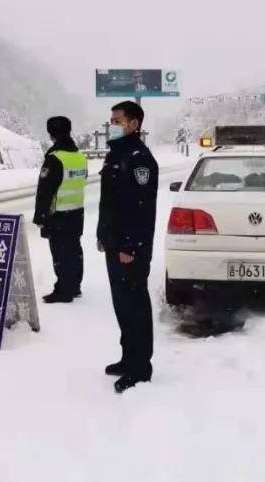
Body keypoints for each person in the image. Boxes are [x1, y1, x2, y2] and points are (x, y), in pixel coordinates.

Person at [97, 100, 159, 393]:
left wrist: (130, 246)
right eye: (111, 119)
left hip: (130, 248)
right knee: (122, 305)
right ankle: (127, 357)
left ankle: (140, 367)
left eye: (117, 120)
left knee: (135, 306)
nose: (113, 124)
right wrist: (103, 235)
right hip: (115, 244)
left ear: (134, 124)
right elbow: (109, 204)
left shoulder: (139, 159)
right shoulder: (116, 155)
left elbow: (140, 209)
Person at [33, 116, 88, 304]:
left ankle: (64, 290)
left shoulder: (55, 159)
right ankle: (75, 286)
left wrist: (40, 216)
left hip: (58, 215)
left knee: (60, 253)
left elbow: (44, 191)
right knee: (74, 250)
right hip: (76, 213)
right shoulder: (80, 157)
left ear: (52, 133)